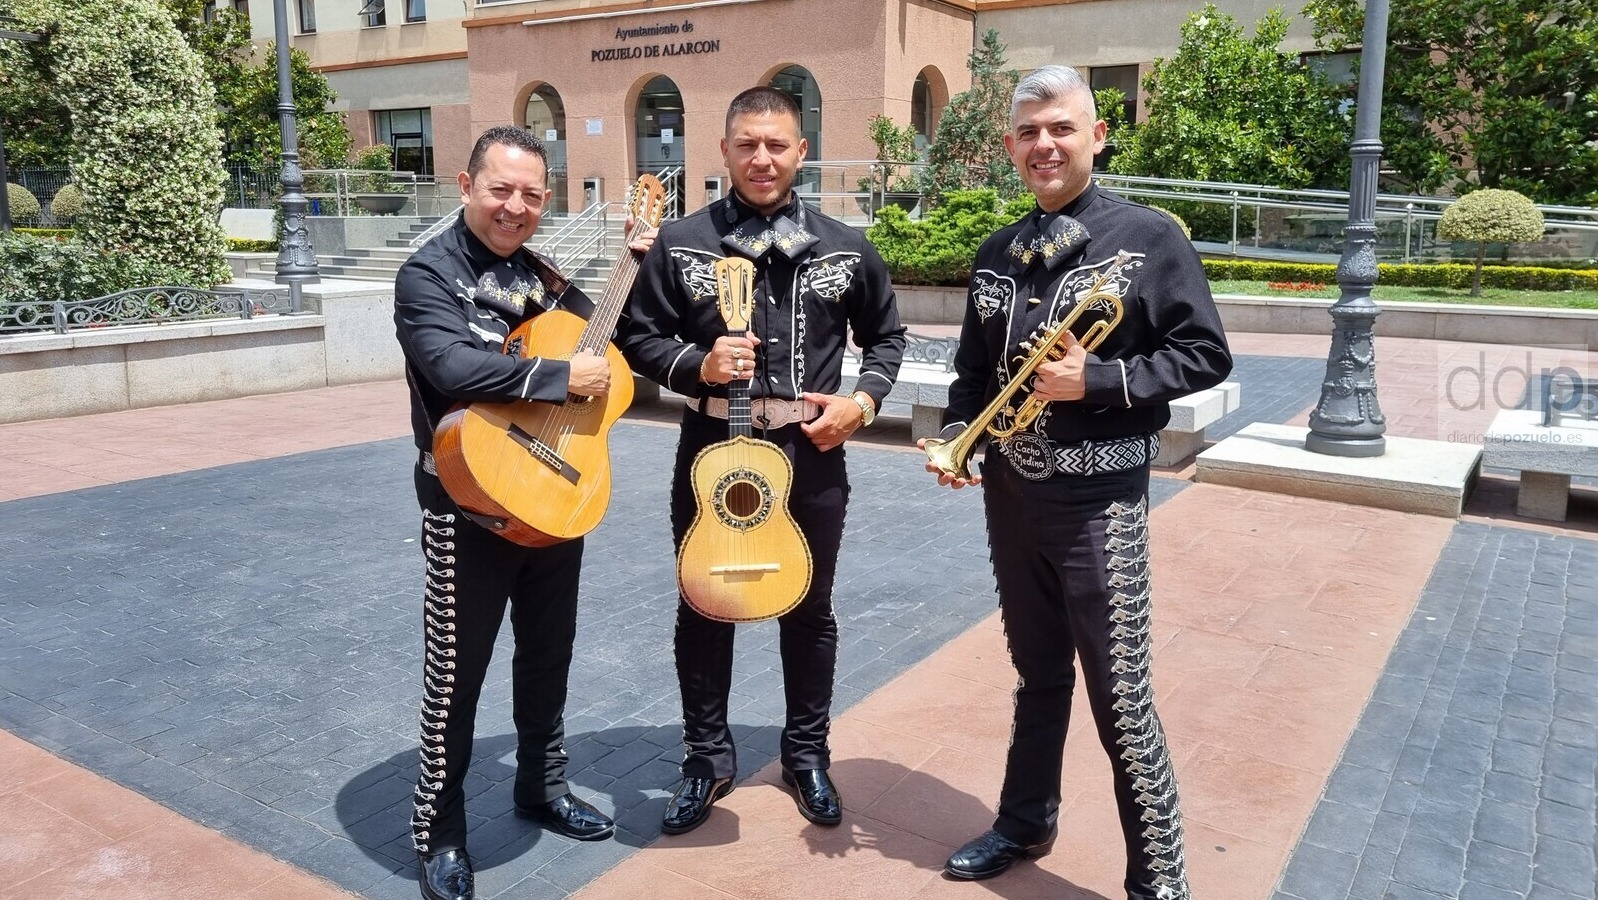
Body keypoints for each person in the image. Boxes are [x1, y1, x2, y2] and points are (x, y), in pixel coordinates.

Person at [923, 66, 1231, 899]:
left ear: (1096, 136)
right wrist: (959, 437)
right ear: (1010, 147)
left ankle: (1159, 879)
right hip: (1012, 495)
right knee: (1038, 673)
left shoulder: (1149, 237)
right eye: (1027, 132)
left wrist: (1096, 382)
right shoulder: (997, 252)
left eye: (1060, 128)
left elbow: (1205, 353)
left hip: (1101, 499)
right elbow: (971, 375)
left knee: (1120, 692)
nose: (1043, 145)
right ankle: (1024, 822)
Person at [619, 86, 906, 836]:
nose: (762, 158)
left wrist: (864, 403)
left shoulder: (848, 247)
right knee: (705, 604)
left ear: (801, 151)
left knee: (810, 608)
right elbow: (636, 337)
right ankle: (705, 759)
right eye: (747, 143)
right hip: (712, 450)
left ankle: (807, 754)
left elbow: (888, 339)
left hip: (810, 455)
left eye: (777, 143)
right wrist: (696, 363)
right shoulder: (683, 244)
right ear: (724, 150)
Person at [394, 125, 651, 900]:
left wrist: (637, 263)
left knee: (548, 655)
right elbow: (447, 363)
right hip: (465, 502)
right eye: (501, 190)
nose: (516, 207)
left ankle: (541, 784)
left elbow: (604, 341)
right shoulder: (428, 274)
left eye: (533, 195)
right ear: (467, 186)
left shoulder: (542, 274)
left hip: (552, 496)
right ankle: (438, 831)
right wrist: (555, 374)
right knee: (456, 677)